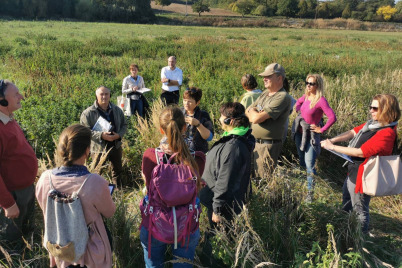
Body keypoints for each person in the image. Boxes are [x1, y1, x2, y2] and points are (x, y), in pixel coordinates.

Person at [36, 124, 116, 268]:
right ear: (86, 151)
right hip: (90, 254)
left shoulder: (44, 179)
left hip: (59, 249)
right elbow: (110, 212)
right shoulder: (95, 182)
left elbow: (44, 208)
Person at [321, 94, 400, 233]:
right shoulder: (372, 125)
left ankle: (359, 239)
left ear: (386, 109)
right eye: (371, 107)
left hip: (363, 176)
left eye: (375, 108)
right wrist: (332, 140)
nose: (371, 110)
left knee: (360, 210)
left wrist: (332, 147)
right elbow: (353, 132)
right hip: (353, 171)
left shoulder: (387, 132)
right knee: (347, 200)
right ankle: (345, 230)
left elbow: (361, 152)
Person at [140, 106, 206, 267]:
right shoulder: (197, 158)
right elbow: (198, 188)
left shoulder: (150, 156)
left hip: (156, 222)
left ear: (161, 130)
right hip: (186, 223)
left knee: (153, 264)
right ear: (185, 127)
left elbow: (147, 184)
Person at [199, 102, 255, 228]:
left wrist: (218, 209)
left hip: (221, 205)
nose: (219, 119)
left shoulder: (233, 147)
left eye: (221, 116)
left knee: (219, 235)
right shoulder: (234, 138)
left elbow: (225, 179)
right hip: (216, 199)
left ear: (230, 121)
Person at [0, 80, 37, 247]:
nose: (21, 96)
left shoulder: (8, 120)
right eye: (16, 94)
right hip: (12, 195)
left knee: (26, 234)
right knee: (10, 244)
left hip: (25, 190)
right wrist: (8, 204)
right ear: (1, 99)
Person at [292, 74, 336, 202]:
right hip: (299, 133)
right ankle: (305, 183)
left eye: (311, 83)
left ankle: (309, 194)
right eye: (307, 82)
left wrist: (321, 129)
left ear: (318, 85)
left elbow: (332, 117)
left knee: (310, 164)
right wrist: (299, 111)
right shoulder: (306, 96)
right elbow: (298, 103)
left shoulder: (320, 100)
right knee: (301, 159)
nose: (308, 85)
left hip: (311, 136)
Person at [245, 63, 292, 177]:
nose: (264, 79)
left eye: (268, 76)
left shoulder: (282, 97)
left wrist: (254, 112)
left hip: (267, 146)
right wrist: (254, 112)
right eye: (264, 76)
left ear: (279, 78)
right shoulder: (266, 93)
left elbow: (255, 118)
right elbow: (247, 110)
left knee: (263, 179)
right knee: (250, 178)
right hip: (254, 143)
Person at [80, 86, 127, 187]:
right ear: (96, 96)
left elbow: (124, 125)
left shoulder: (117, 110)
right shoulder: (88, 113)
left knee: (117, 171)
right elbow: (85, 130)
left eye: (106, 94)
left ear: (110, 95)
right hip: (98, 148)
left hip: (115, 145)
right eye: (101, 94)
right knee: (97, 172)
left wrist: (118, 135)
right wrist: (101, 135)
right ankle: (97, 193)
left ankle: (117, 192)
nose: (104, 96)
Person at [181, 87, 214, 153]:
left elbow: (209, 137)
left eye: (189, 101)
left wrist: (198, 124)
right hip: (181, 150)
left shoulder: (203, 115)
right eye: (184, 100)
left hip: (197, 153)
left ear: (197, 102)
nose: (186, 104)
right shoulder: (179, 112)